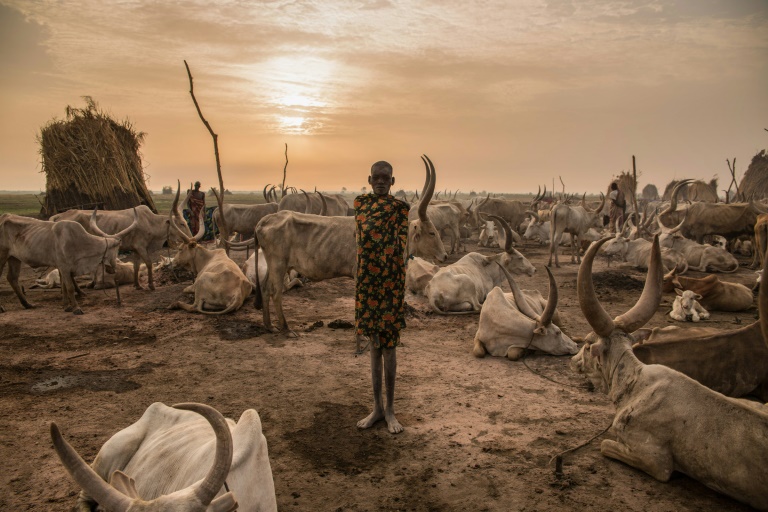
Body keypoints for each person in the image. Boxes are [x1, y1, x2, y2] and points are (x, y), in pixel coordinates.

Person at [354, 161, 410, 434]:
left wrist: (398, 287)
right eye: (376, 177)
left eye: (385, 178)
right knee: (374, 346)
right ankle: (376, 407)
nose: (380, 182)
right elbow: (359, 242)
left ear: (392, 180)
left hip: (390, 284)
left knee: (389, 348)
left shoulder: (400, 209)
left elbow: (401, 248)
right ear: (369, 179)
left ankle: (390, 410)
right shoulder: (359, 205)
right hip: (366, 285)